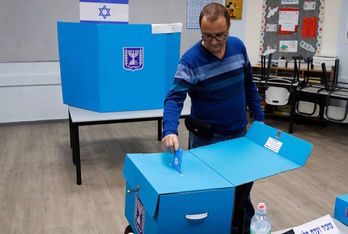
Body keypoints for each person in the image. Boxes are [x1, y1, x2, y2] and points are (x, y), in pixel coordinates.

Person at [162, 3, 264, 234]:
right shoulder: (189, 61)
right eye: (207, 37)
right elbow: (174, 99)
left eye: (220, 35)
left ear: (229, 27)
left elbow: (249, 86)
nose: (214, 42)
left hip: (240, 136)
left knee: (241, 190)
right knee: (211, 194)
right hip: (208, 140)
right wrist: (169, 130)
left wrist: (259, 119)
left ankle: (240, 228)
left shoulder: (238, 47)